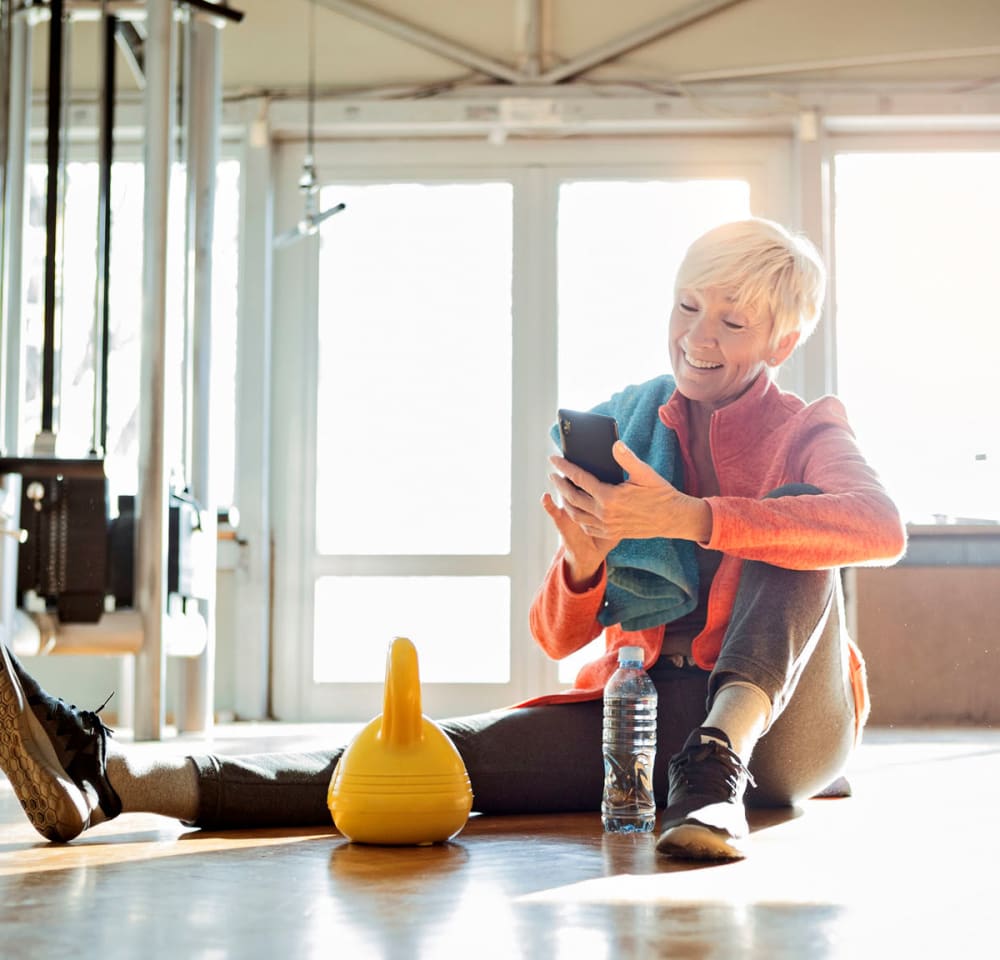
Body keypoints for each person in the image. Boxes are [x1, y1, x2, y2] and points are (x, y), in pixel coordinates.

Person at [0, 218, 906, 862]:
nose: (695, 337)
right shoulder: (632, 425)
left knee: (804, 529)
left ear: (782, 336)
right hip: (650, 706)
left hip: (787, 736)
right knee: (430, 755)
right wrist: (587, 565)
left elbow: (879, 527)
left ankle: (718, 765)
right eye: (685, 305)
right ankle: (109, 774)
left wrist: (693, 518)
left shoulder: (808, 427)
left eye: (731, 321)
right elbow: (554, 637)